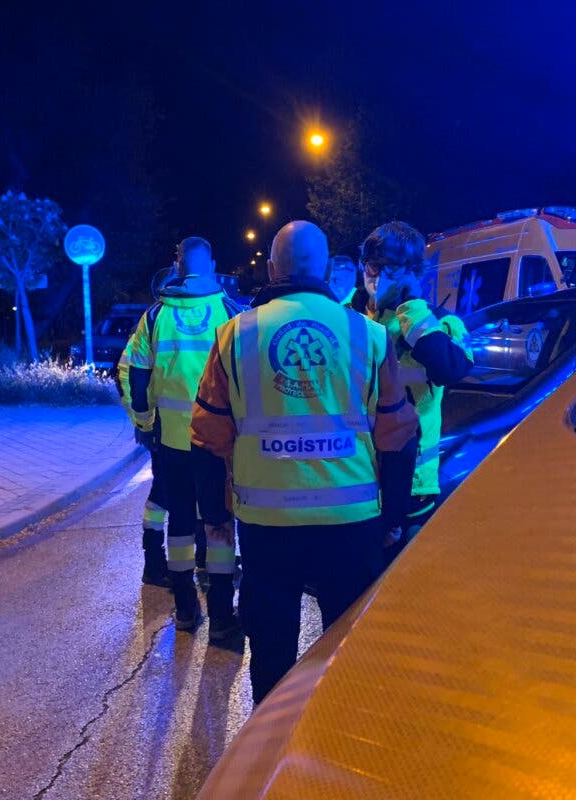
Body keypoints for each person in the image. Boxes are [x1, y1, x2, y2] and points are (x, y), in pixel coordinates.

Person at [190, 220, 419, 704]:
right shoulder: (369, 336)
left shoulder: (234, 336)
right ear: (326, 268)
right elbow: (397, 435)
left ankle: (269, 759)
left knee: (271, 650)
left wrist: (214, 516)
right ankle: (337, 747)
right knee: (346, 651)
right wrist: (394, 518)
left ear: (273, 269)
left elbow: (208, 436)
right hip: (352, 524)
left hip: (266, 526)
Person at [127, 237, 246, 645]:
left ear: (177, 265)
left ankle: (183, 610)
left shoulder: (155, 315)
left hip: (172, 442)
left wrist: (144, 423)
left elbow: (136, 376)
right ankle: (221, 618)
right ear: (211, 265)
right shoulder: (229, 312)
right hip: (215, 442)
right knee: (217, 524)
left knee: (178, 523)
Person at [360, 222, 474, 552]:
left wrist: (410, 309)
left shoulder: (442, 324)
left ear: (413, 271)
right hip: (357, 478)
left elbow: (450, 368)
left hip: (413, 486)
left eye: (390, 268)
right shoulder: (351, 319)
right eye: (372, 266)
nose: (377, 277)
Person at [116, 266, 177, 587]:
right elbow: (128, 375)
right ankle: (154, 563)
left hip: (172, 430)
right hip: (161, 431)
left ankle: (172, 562)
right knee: (162, 496)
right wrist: (144, 423)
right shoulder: (152, 324)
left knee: (174, 495)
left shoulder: (164, 323)